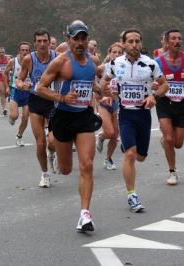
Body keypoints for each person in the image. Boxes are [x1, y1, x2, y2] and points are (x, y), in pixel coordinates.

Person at [36, 23, 104, 231]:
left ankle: (85, 214)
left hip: (84, 116)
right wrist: (63, 98)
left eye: (84, 38)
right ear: (69, 41)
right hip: (63, 116)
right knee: (66, 170)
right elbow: (40, 89)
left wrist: (102, 89)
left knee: (87, 165)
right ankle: (56, 153)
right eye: (77, 39)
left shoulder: (93, 61)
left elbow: (91, 83)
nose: (81, 43)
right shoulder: (61, 61)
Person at [101, 29, 169, 212]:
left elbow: (165, 85)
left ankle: (130, 146)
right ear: (124, 44)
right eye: (130, 41)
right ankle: (132, 195)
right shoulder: (116, 63)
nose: (134, 44)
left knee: (141, 156)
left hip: (143, 114)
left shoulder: (151, 64)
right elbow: (104, 82)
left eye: (137, 41)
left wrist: (154, 96)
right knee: (130, 154)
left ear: (141, 43)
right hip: (125, 114)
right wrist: (107, 94)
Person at [154, 29, 184, 185]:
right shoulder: (158, 62)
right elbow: (152, 80)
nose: (178, 41)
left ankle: (166, 139)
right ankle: (172, 172)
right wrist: (154, 86)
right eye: (174, 38)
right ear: (166, 42)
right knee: (170, 138)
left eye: (179, 38)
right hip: (164, 103)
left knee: (178, 144)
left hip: (181, 104)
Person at [16, 28, 57, 188]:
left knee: (52, 143)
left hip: (53, 101)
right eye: (39, 41)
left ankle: (52, 153)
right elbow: (19, 80)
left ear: (49, 42)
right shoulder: (29, 59)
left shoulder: (57, 58)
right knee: (41, 143)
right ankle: (45, 174)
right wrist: (23, 85)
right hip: (35, 100)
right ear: (34, 43)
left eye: (45, 41)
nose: (42, 44)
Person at [96, 43, 124, 170]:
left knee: (115, 135)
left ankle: (108, 159)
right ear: (109, 53)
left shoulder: (125, 69)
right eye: (114, 52)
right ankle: (101, 136)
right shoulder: (102, 68)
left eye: (119, 52)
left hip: (118, 104)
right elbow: (91, 79)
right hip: (104, 104)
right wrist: (99, 92)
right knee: (109, 132)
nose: (117, 55)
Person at [3, 42, 32, 146]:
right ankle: (12, 117)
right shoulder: (13, 62)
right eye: (22, 50)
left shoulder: (32, 62)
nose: (24, 52)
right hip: (15, 91)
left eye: (26, 50)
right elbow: (4, 73)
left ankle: (19, 136)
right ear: (19, 51)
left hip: (28, 93)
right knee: (15, 116)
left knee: (25, 117)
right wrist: (7, 87)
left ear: (29, 51)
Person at [0, 47, 10, 115]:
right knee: (2, 91)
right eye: (0, 52)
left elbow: (11, 66)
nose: (1, 54)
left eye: (2, 52)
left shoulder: (8, 59)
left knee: (6, 93)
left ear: (4, 53)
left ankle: (2, 99)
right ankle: (4, 108)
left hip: (7, 77)